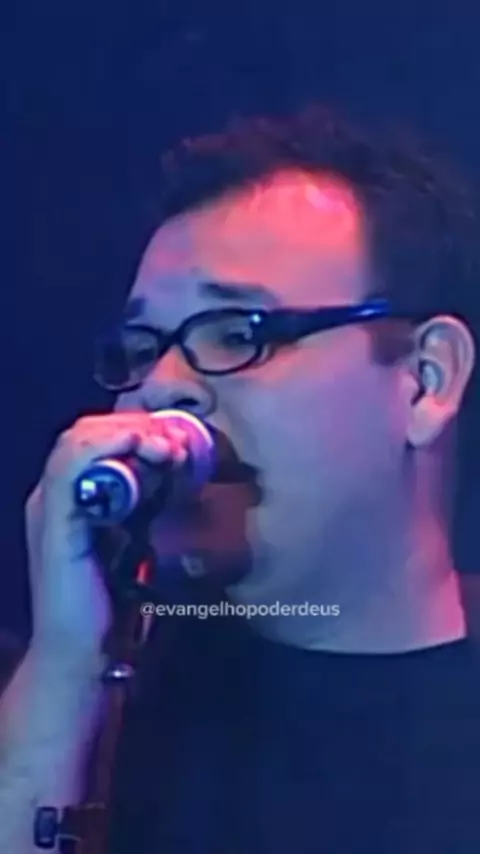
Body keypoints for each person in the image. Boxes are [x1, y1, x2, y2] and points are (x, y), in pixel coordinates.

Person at [1, 105, 480, 854]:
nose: (161, 386)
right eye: (140, 348)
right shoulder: (86, 692)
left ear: (425, 380)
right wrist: (65, 670)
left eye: (236, 334)